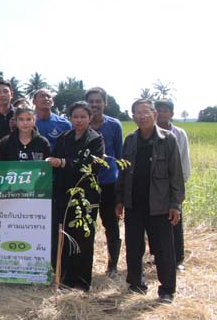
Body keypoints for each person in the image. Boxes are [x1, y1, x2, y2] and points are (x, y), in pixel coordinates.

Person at [116, 99, 184, 304]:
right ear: (133, 116)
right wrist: (119, 200)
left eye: (147, 112)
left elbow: (176, 175)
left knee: (164, 248)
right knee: (134, 246)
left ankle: (167, 290)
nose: (143, 116)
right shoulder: (130, 140)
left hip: (160, 205)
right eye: (139, 113)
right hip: (134, 204)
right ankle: (136, 284)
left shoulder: (168, 139)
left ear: (154, 114)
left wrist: (175, 204)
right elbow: (123, 172)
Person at [46, 101, 105, 291]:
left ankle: (82, 281)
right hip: (63, 194)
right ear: (70, 118)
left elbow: (89, 166)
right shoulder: (64, 137)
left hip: (85, 196)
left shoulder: (96, 139)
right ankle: (64, 278)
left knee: (83, 238)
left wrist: (63, 163)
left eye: (83, 117)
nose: (79, 120)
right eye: (75, 116)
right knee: (63, 236)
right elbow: (53, 159)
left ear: (90, 118)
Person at [85, 87, 124, 277]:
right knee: (86, 226)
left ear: (105, 103)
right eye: (91, 101)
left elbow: (120, 156)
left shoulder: (114, 125)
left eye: (98, 101)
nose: (94, 105)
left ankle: (112, 265)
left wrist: (121, 190)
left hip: (109, 183)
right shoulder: (79, 124)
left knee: (111, 226)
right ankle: (85, 266)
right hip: (87, 183)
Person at [155, 99, 191, 270]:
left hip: (173, 185)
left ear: (172, 114)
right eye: (159, 110)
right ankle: (157, 256)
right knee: (156, 223)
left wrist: (179, 185)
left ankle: (177, 259)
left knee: (175, 220)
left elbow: (183, 159)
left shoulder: (179, 133)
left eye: (165, 111)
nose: (162, 114)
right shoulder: (149, 132)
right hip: (155, 186)